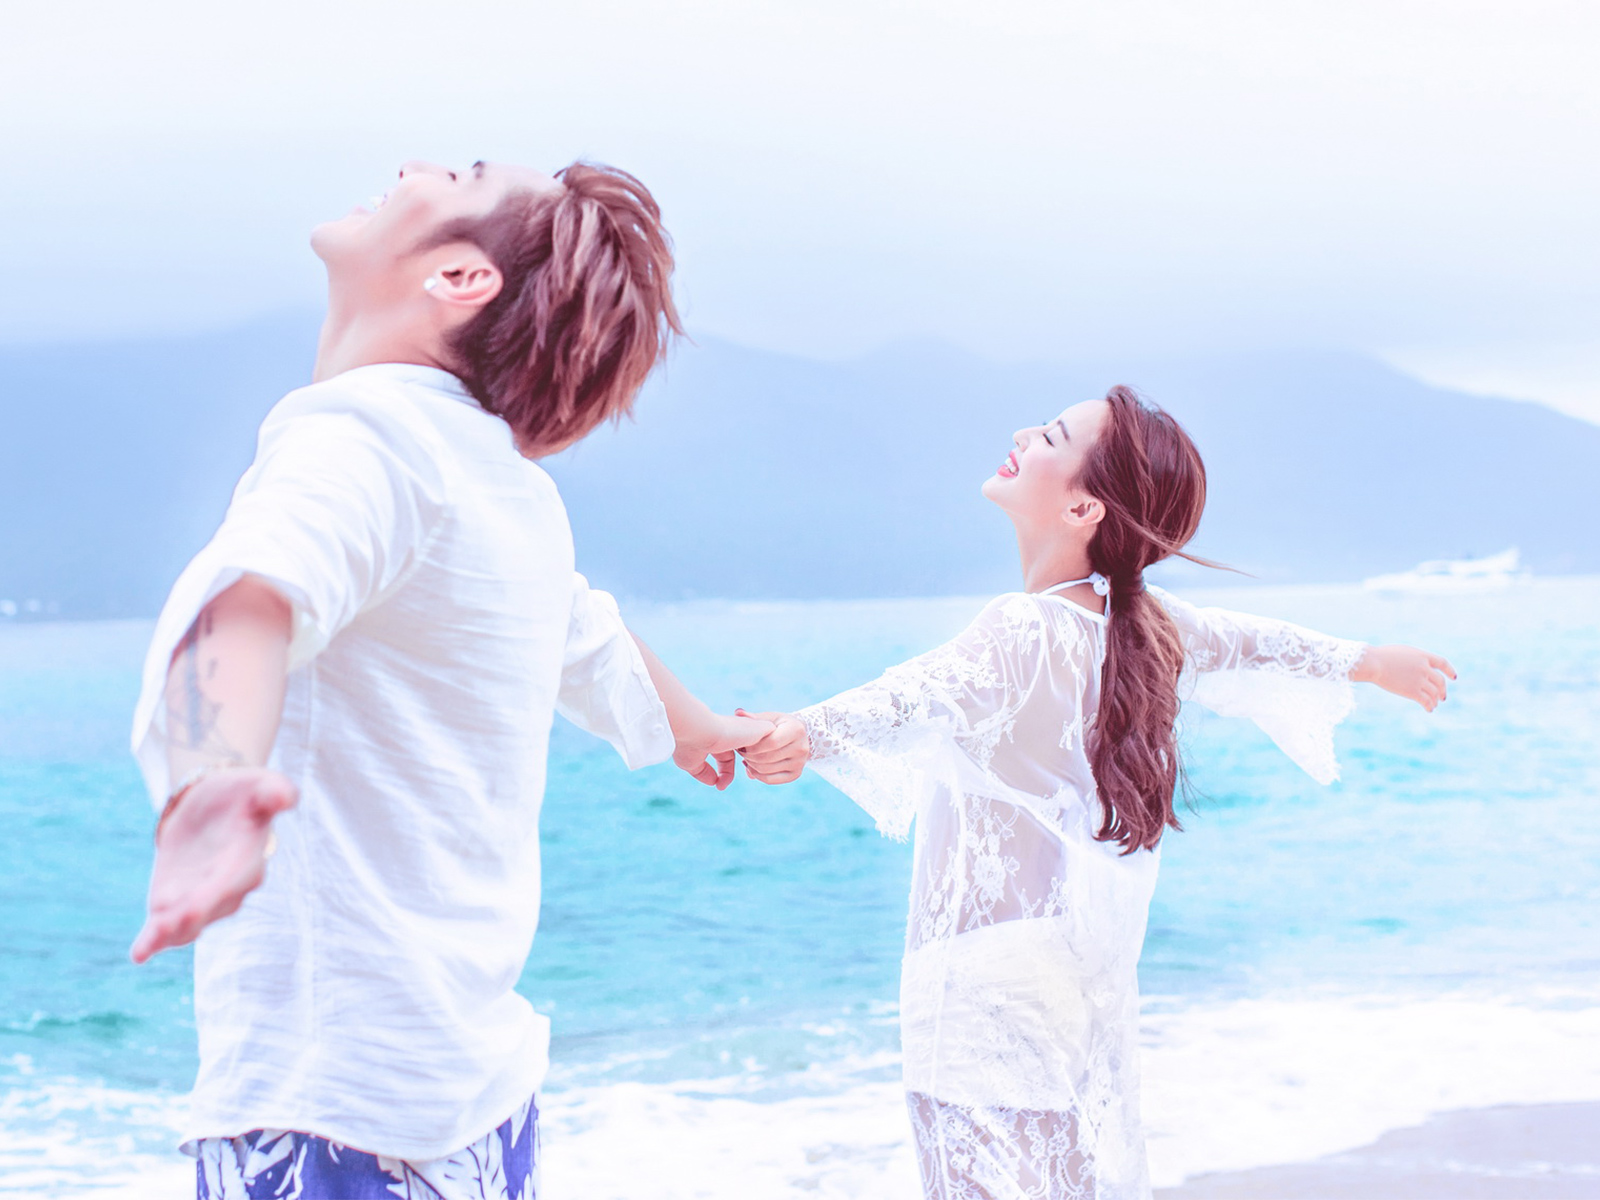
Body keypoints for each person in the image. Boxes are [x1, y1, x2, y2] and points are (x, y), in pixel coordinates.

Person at [128, 158, 769, 1200]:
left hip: (331, 1112)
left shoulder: (362, 439)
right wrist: (697, 729)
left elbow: (254, 600)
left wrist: (210, 777)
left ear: (463, 277)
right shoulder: (507, 485)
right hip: (475, 1100)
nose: (413, 169)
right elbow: (586, 637)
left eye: (460, 174)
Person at [738, 386, 1456, 1200]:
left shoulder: (1028, 627)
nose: (1022, 433)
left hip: (978, 997)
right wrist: (1371, 662)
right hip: (1076, 981)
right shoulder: (1146, 626)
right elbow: (1255, 641)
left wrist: (802, 732)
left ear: (1083, 507)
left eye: (1050, 436)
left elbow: (907, 696)